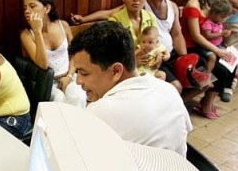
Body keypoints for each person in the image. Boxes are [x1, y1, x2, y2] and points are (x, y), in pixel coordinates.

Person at [69, 21, 192, 156]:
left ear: (116, 71)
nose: (79, 81)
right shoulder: (169, 89)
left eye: (84, 73)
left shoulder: (100, 113)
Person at [181, 0, 238, 119]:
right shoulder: (193, 5)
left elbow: (220, 18)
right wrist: (217, 51)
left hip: (205, 45)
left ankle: (209, 101)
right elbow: (196, 36)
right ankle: (204, 103)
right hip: (192, 47)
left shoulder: (207, 2)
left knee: (230, 63)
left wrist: (222, 1)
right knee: (220, 70)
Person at [20, 0, 86, 107]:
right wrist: (37, 31)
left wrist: (69, 77)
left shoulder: (63, 25)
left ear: (47, 8)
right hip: (47, 82)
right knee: (59, 101)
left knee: (78, 97)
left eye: (32, 6)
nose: (27, 11)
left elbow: (75, 54)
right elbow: (43, 64)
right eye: (25, 8)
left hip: (69, 75)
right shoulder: (26, 35)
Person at [200, 0, 233, 74]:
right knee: (212, 58)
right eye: (222, 17)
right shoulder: (208, 23)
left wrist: (226, 33)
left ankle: (233, 73)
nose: (223, 19)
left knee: (230, 54)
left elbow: (220, 32)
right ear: (214, 13)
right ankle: (208, 73)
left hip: (218, 45)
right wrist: (221, 34)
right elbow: (208, 36)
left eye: (224, 17)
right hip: (207, 47)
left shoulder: (219, 22)